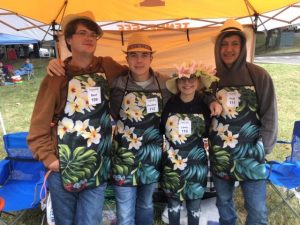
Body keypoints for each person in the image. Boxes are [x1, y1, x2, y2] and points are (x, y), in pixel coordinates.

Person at [27, 11, 127, 225]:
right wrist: (51, 160)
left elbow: (137, 73)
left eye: (93, 34)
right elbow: (38, 126)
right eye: (82, 33)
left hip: (97, 166)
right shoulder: (57, 77)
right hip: (64, 167)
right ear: (69, 40)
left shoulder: (107, 67)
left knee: (89, 221)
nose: (89, 38)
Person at [209, 19, 278, 225]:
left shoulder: (258, 75)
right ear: (218, 47)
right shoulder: (210, 77)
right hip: (221, 153)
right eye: (224, 44)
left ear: (243, 46)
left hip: (251, 152)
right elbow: (201, 104)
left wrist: (263, 147)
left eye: (234, 43)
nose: (229, 49)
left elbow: (269, 113)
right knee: (223, 203)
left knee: (257, 210)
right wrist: (209, 98)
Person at [109, 32, 171, 225]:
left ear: (151, 58)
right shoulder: (117, 84)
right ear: (126, 58)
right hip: (123, 157)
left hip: (151, 156)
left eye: (144, 55)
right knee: (125, 210)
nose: (139, 60)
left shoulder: (165, 84)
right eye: (133, 55)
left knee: (145, 205)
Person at [160, 61, 221, 225]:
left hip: (197, 165)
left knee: (194, 205)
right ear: (177, 83)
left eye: (191, 79)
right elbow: (160, 131)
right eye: (182, 79)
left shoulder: (205, 105)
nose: (187, 83)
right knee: (173, 204)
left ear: (199, 82)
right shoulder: (169, 104)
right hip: (172, 164)